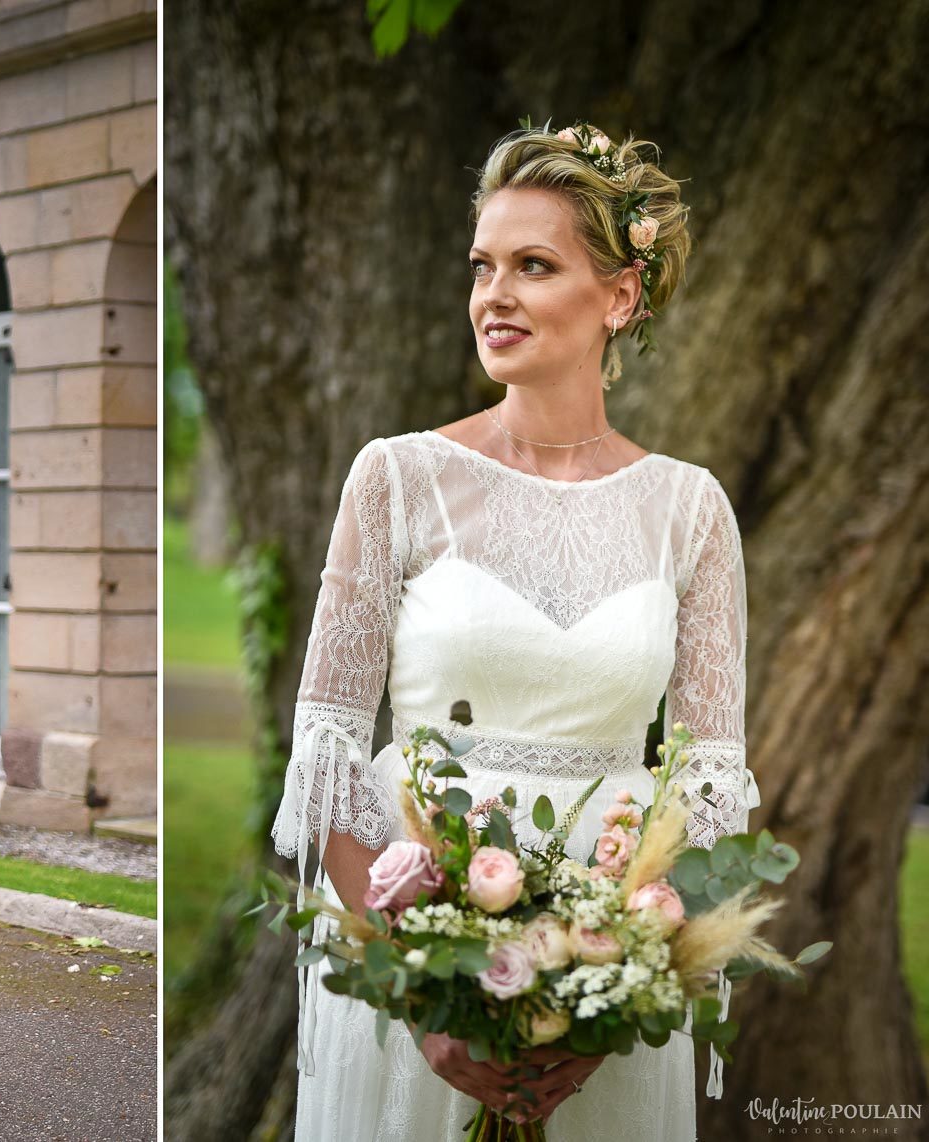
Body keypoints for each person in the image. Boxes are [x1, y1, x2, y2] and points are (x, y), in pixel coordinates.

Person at [271, 122, 761, 1140]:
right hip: (414, 957)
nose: (494, 293)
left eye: (533, 266)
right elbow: (326, 758)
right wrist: (425, 992)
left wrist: (611, 992)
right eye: (483, 266)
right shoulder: (396, 479)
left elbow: (709, 794)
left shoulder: (692, 511)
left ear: (619, 295)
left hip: (613, 974)